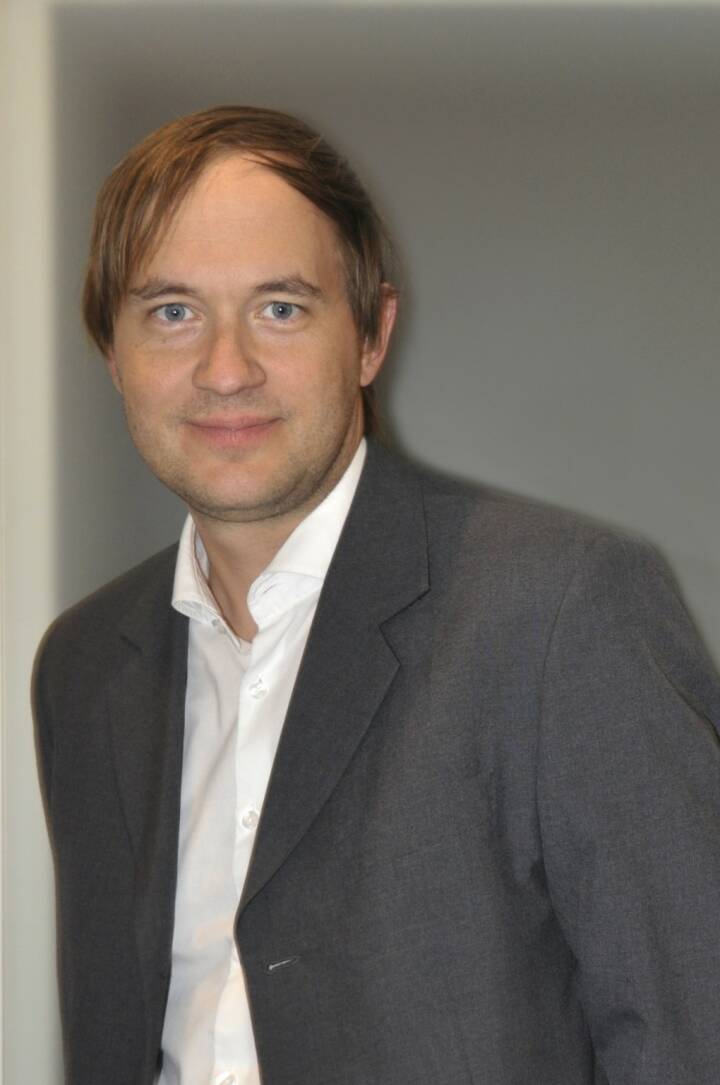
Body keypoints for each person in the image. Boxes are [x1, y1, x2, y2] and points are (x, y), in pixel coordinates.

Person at [34, 105, 720, 1085]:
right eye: (173, 312)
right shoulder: (82, 665)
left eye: (280, 307)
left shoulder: (560, 609)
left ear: (370, 336)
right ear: (112, 350)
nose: (225, 369)